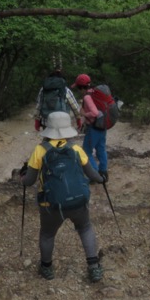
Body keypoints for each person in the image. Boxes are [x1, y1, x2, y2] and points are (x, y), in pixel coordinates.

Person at [20, 111, 105, 282]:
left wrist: (21, 178)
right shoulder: (75, 148)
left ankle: (46, 269)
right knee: (85, 228)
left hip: (51, 205)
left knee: (47, 234)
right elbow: (92, 174)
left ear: (49, 129)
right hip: (79, 201)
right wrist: (102, 178)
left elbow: (29, 181)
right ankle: (94, 267)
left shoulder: (40, 150)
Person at [72, 73, 109, 183]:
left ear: (81, 87)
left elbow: (94, 113)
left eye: (78, 88)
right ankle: (104, 173)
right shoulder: (94, 92)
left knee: (86, 151)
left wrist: (83, 113)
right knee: (101, 149)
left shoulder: (87, 97)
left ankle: (95, 174)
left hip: (94, 128)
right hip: (103, 126)